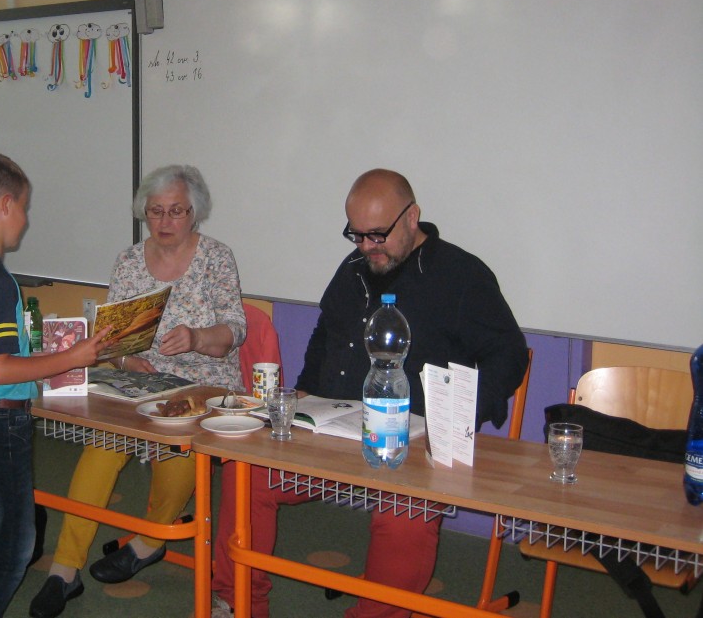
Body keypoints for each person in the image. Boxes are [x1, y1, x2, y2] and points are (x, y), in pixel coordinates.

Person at [212, 169, 529, 618]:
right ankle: (237, 601)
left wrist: (455, 424)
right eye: (356, 235)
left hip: (411, 443)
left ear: (412, 217)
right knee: (246, 474)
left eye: (378, 234)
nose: (366, 247)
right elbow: (325, 334)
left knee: (406, 511)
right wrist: (304, 396)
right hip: (332, 427)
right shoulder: (353, 269)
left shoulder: (461, 275)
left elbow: (508, 355)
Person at [30, 164, 247, 618]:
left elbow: (235, 330)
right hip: (141, 381)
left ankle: (150, 540)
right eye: (155, 212)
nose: (165, 222)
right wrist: (128, 361)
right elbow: (111, 339)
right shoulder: (129, 261)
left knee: (178, 451)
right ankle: (64, 569)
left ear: (195, 212)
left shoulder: (216, 257)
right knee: (101, 449)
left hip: (203, 384)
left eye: (176, 211)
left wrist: (197, 337)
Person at [0, 152, 112, 618]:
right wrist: (73, 357)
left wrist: (26, 358)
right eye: (25, 208)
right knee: (15, 545)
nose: (26, 220)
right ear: (6, 205)